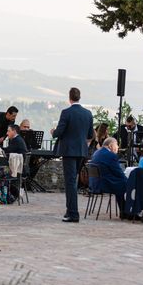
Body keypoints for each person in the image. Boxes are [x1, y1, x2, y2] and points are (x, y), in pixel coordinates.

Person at [51, 88, 94, 223]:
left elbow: (59, 132)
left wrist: (53, 132)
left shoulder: (66, 112)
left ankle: (73, 214)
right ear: (79, 97)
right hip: (81, 151)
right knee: (73, 181)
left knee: (70, 182)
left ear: (69, 98)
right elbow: (89, 135)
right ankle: (70, 210)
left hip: (69, 151)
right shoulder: (88, 113)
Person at [89, 137, 128, 217]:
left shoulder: (97, 153)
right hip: (104, 184)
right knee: (125, 183)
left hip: (94, 184)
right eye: (116, 144)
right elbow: (119, 173)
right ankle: (126, 211)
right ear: (110, 145)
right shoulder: (110, 155)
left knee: (122, 182)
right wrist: (129, 181)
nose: (118, 147)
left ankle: (124, 211)